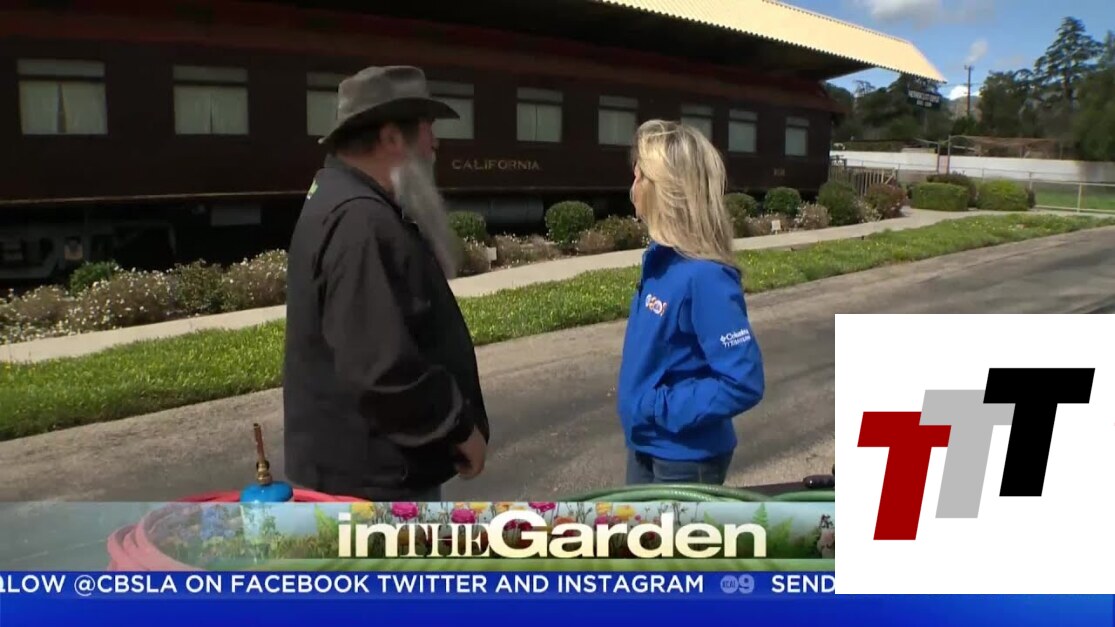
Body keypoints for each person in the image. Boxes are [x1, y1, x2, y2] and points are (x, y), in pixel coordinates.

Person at [283, 66, 490, 502]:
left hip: (359, 474)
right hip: (373, 488)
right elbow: (382, 369)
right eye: (428, 129)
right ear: (393, 138)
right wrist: (457, 428)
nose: (435, 144)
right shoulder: (360, 222)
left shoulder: (340, 198)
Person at [617, 119, 765, 486]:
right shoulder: (661, 261)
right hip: (645, 444)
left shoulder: (706, 277)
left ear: (666, 190)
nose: (633, 185)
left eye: (640, 176)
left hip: (684, 460)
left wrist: (657, 407)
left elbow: (743, 382)